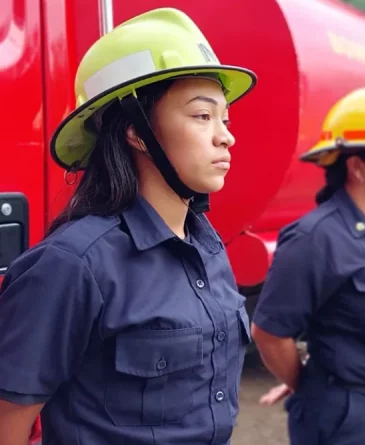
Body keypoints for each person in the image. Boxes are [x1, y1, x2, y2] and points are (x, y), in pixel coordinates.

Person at [0, 8, 257, 444]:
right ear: (136, 131)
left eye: (224, 119)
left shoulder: (208, 248)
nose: (225, 136)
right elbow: (9, 420)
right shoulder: (73, 266)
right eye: (202, 116)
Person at [250, 87, 365, 445]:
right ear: (357, 167)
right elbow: (270, 333)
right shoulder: (317, 237)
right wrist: (305, 384)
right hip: (348, 417)